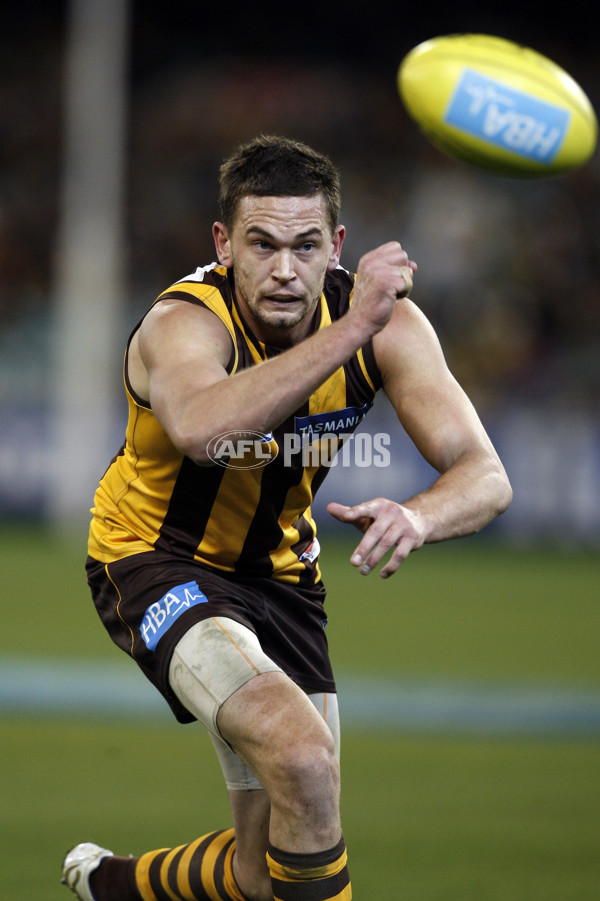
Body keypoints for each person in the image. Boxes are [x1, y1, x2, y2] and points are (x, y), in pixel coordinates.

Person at [61, 134, 512, 901]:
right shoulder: (186, 322)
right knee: (304, 755)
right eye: (261, 243)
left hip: (281, 576)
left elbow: (486, 475)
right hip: (153, 560)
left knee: (263, 869)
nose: (283, 268)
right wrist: (350, 330)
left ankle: (115, 886)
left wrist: (418, 515)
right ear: (223, 243)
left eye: (305, 246)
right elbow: (204, 430)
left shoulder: (386, 327)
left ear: (335, 244)